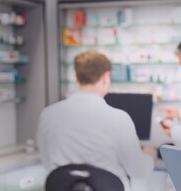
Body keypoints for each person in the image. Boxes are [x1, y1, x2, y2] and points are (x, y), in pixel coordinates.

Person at [37, 50, 156, 191]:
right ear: (106, 77)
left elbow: (47, 163)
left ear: (76, 76)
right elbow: (139, 171)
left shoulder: (48, 115)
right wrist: (150, 156)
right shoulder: (118, 118)